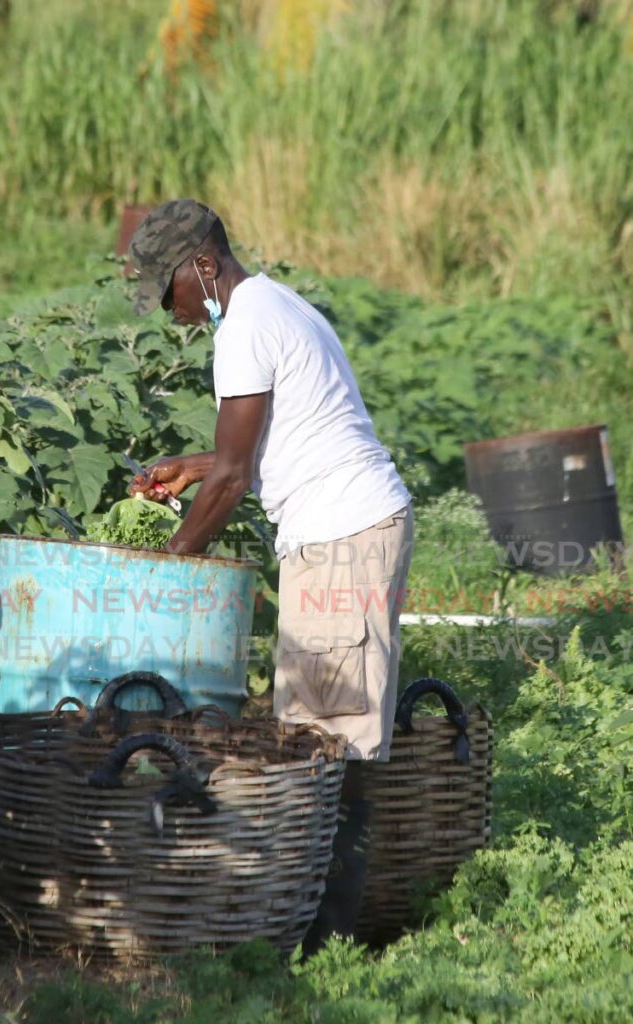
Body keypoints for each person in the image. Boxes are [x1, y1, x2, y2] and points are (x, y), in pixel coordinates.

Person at [126, 198, 414, 952]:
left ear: (204, 265)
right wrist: (193, 469)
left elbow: (231, 480)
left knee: (331, 751)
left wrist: (164, 572)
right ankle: (310, 936)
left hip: (343, 540)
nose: (169, 310)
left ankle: (326, 952)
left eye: (169, 290)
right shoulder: (273, 307)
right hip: (343, 532)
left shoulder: (247, 327)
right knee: (313, 738)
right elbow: (243, 461)